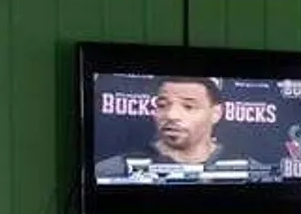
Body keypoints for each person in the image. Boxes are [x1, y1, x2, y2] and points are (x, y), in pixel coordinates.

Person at [95, 76, 238, 179]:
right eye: (162, 105)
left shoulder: (246, 167)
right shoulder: (112, 170)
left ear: (216, 113)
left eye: (188, 106)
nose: (171, 115)